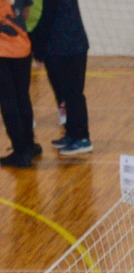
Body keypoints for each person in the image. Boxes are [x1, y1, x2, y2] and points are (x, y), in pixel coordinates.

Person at [28, 0, 90, 155]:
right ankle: (71, 133)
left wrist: (36, 45)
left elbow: (47, 16)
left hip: (71, 47)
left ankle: (82, 138)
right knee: (65, 94)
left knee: (74, 93)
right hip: (58, 48)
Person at [0, 1, 36, 168]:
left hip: (3, 53)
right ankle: (29, 145)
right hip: (22, 49)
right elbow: (26, 14)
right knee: (22, 98)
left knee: (8, 101)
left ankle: (20, 152)